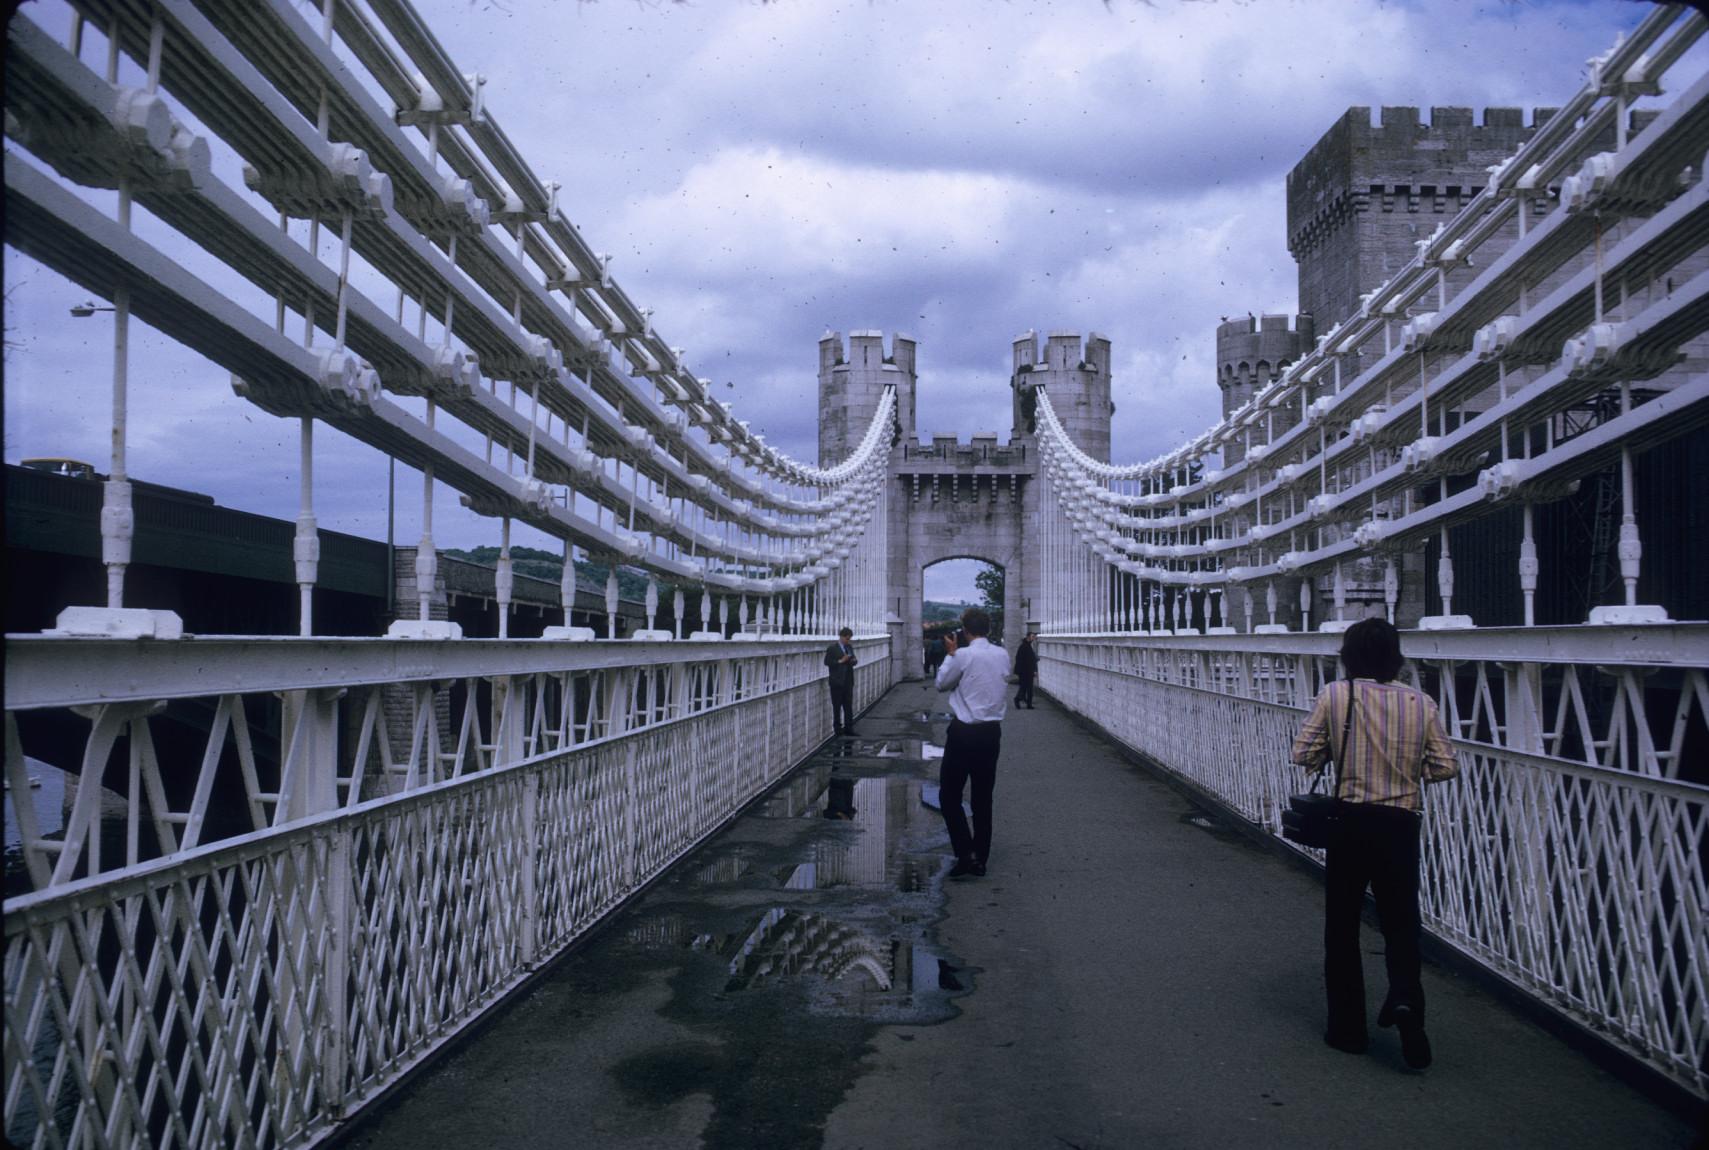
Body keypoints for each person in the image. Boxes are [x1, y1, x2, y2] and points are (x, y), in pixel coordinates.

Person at [1291, 617, 1459, 1069]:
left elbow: (1302, 754)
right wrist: (1407, 770)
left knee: (1342, 928)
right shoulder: (1421, 703)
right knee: (1402, 925)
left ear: (1349, 655)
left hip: (1350, 823)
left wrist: (1336, 751)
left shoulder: (1336, 696)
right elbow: (1445, 766)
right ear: (1395, 657)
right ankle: (1405, 1001)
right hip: (1400, 824)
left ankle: (1348, 1032)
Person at [934, 608, 1010, 877]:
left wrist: (951, 654)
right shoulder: (1002, 654)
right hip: (991, 732)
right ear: (988, 629)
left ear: (965, 631)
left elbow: (941, 683)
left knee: (949, 795)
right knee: (982, 797)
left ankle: (965, 853)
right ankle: (981, 856)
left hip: (964, 732)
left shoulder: (962, 655)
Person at [824, 626, 858, 736]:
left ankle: (849, 728)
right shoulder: (832, 648)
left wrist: (853, 660)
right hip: (837, 681)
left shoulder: (849, 647)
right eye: (847, 638)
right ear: (841, 637)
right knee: (837, 706)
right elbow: (827, 662)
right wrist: (840, 661)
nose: (848, 641)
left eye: (849, 639)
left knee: (848, 706)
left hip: (848, 680)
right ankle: (837, 730)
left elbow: (854, 660)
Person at [1013, 632, 1039, 709]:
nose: (1033, 638)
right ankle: (1019, 699)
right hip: (1025, 671)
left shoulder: (1027, 646)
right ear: (1028, 637)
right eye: (1032, 637)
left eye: (1034, 637)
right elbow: (1022, 660)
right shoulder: (1024, 647)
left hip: (1027, 671)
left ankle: (1026, 702)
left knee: (1026, 687)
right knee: (1026, 687)